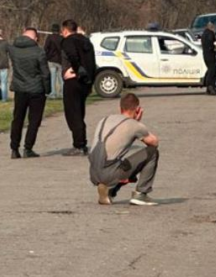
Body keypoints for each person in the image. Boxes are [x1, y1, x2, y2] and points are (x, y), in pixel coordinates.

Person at [90, 93, 160, 206]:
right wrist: (137, 122)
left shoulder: (105, 119)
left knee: (121, 163)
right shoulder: (134, 125)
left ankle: (109, 191)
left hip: (94, 173)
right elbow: (154, 142)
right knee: (152, 152)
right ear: (137, 109)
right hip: (110, 173)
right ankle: (141, 193)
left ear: (120, 108)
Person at [8, 28, 51, 158]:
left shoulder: (13, 50)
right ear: (35, 38)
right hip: (36, 89)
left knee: (18, 119)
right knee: (34, 120)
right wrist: (47, 89)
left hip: (20, 89)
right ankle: (28, 147)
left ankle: (14, 148)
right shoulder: (39, 51)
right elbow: (45, 73)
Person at [60, 19, 96, 156]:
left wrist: (76, 70)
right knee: (80, 111)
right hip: (85, 81)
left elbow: (73, 56)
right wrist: (89, 79)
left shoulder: (68, 41)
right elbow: (92, 61)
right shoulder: (86, 41)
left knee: (72, 113)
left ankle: (79, 144)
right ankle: (81, 141)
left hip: (73, 80)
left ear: (65, 30)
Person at [43, 24, 64, 99]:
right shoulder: (62, 38)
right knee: (61, 77)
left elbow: (45, 48)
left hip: (51, 60)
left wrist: (47, 57)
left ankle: (53, 93)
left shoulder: (49, 38)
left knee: (53, 77)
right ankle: (62, 93)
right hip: (60, 60)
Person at [201, 21, 216, 95]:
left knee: (209, 70)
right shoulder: (210, 34)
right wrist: (213, 48)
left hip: (205, 55)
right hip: (210, 55)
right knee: (212, 71)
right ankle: (210, 86)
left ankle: (208, 89)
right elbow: (210, 42)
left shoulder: (204, 34)